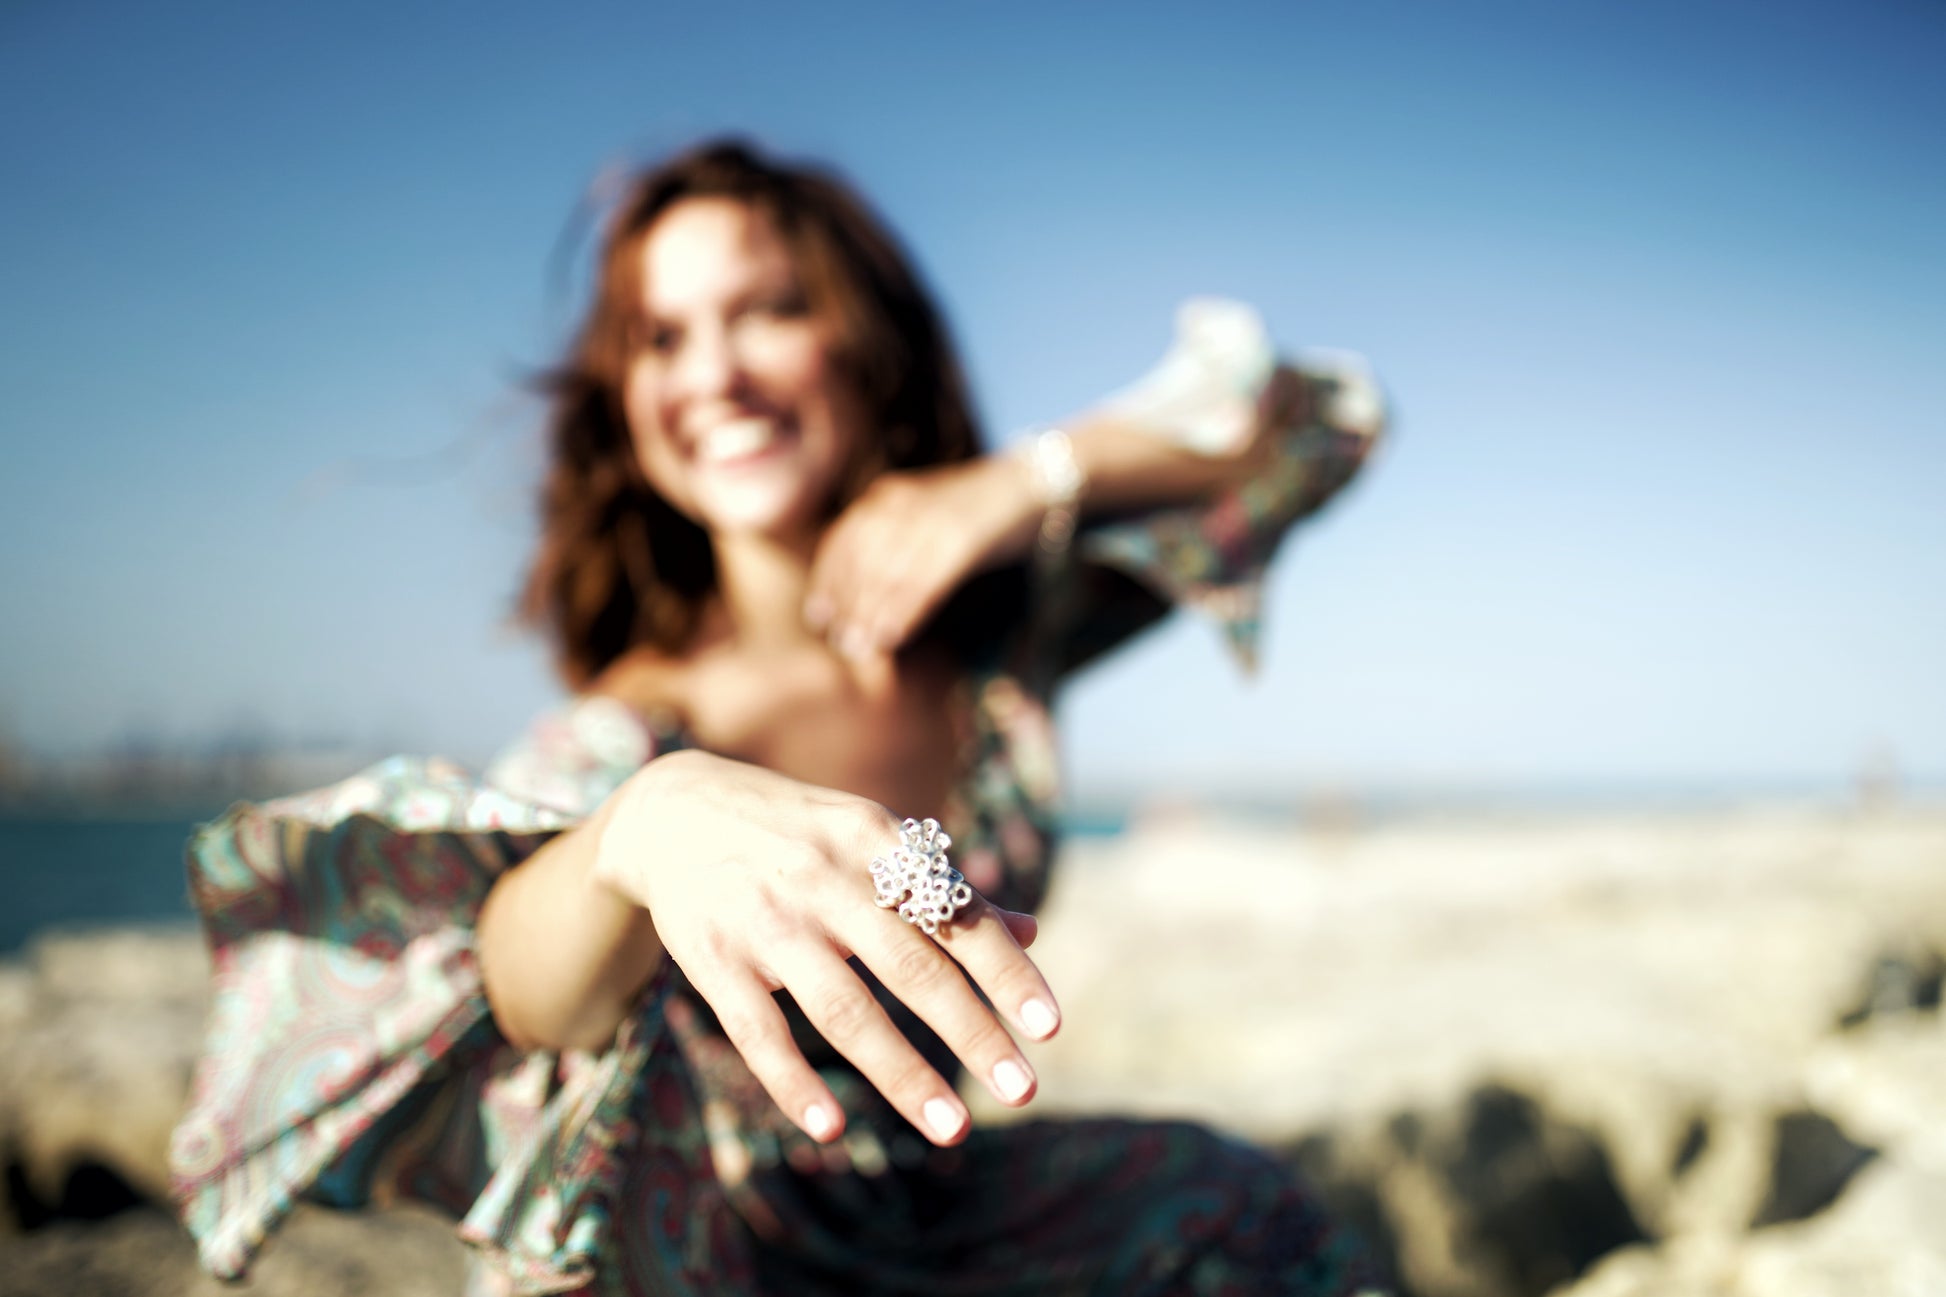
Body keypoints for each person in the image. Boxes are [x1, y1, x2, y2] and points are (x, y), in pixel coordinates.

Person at [167, 139, 1390, 1295]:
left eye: (766, 308)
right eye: (661, 337)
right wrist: (635, 835)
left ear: (868, 343)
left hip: (932, 1220)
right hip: (701, 1255)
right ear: (626, 400)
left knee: (1232, 1203)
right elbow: (527, 992)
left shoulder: (1002, 639)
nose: (713, 372)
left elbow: (1329, 425)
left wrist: (1027, 480)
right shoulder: (637, 727)